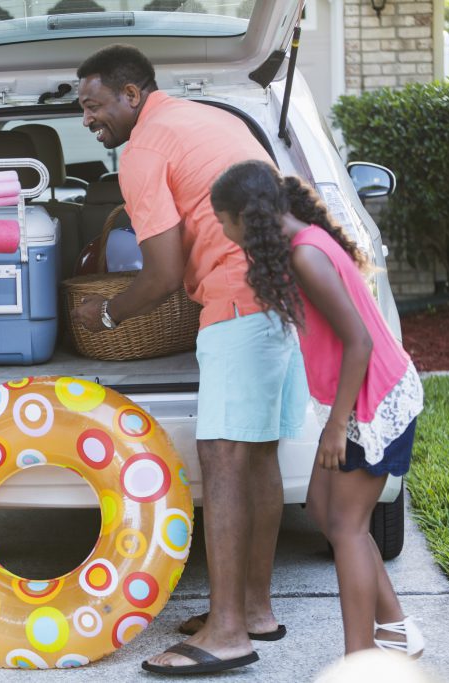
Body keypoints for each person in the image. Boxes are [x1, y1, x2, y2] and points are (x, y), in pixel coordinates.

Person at [72, 44, 308, 675]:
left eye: (93, 105)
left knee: (225, 459)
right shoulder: (215, 116)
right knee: (256, 452)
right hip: (281, 297)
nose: (87, 119)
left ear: (132, 94)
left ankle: (228, 633)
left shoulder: (145, 148)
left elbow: (163, 274)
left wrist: (104, 314)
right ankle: (255, 610)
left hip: (235, 302)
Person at [210, 159, 425, 658]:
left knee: (347, 526)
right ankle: (396, 628)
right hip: (359, 401)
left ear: (248, 215)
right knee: (326, 511)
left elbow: (360, 342)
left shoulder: (306, 254)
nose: (222, 230)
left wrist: (333, 427)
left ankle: (359, 659)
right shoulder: (300, 244)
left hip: (375, 403)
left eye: (223, 219)